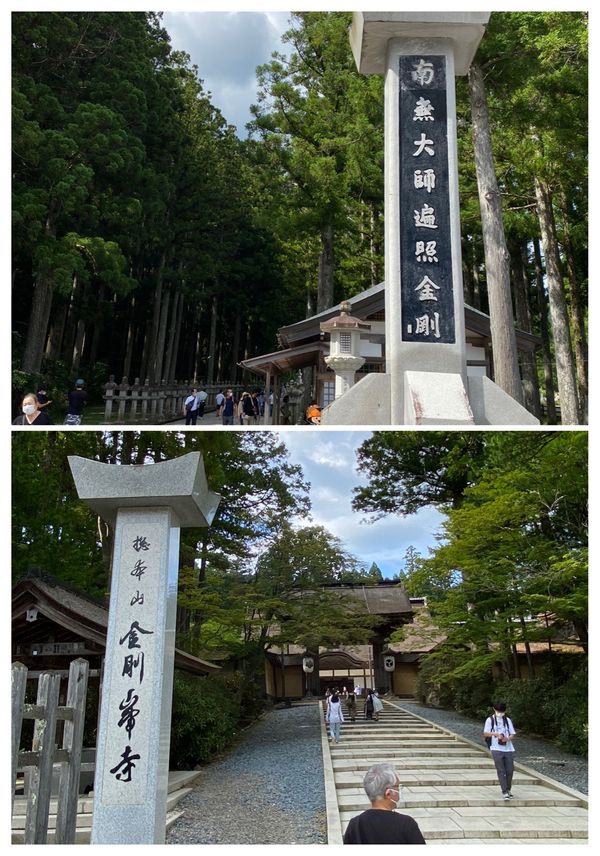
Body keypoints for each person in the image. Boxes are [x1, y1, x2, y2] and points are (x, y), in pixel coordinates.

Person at [343, 763, 426, 844]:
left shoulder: (355, 824)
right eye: (397, 787)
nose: (399, 791)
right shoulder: (406, 824)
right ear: (388, 793)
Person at [484, 701, 517, 800]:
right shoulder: (490, 720)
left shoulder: (507, 720)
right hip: (496, 748)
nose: (500, 713)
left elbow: (512, 734)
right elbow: (485, 733)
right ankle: (504, 791)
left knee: (510, 770)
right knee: (501, 770)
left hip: (508, 748)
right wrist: (496, 734)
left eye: (502, 711)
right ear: (494, 709)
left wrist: (507, 738)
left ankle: (508, 789)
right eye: (498, 711)